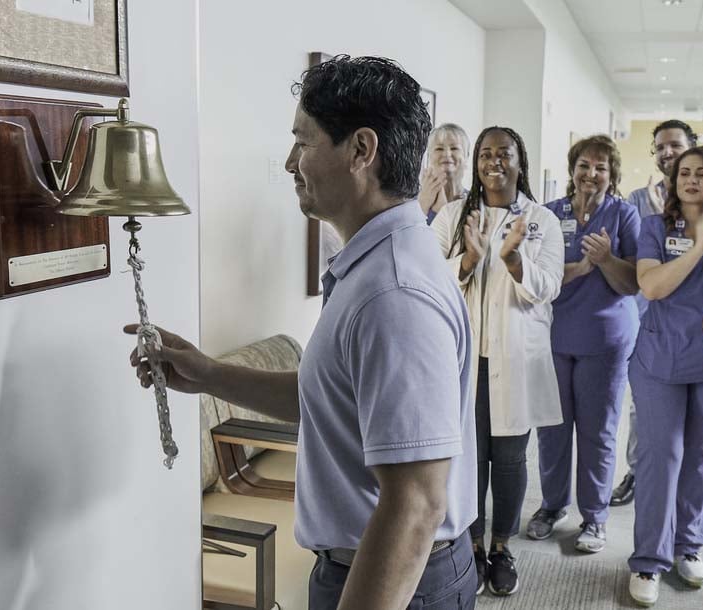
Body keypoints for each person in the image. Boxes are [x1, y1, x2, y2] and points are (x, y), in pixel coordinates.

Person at [127, 56, 478, 610]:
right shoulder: (371, 268)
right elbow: (333, 400)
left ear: (362, 150)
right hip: (369, 564)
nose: (290, 161)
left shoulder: (394, 293)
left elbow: (415, 504)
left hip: (394, 577)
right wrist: (210, 374)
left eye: (303, 141)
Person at [431, 126, 564, 597]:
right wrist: (467, 260)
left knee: (509, 461)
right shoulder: (451, 216)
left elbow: (549, 286)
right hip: (464, 361)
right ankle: (471, 543)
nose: (494, 162)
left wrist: (512, 260)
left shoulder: (542, 221)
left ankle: (503, 547)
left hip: (515, 358)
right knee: (468, 458)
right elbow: (428, 282)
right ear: (476, 163)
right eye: (486, 154)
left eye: (504, 153)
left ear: (519, 162)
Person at [626, 146, 703, 607]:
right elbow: (652, 285)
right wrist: (697, 243)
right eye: (684, 173)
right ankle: (648, 560)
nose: (692, 180)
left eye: (701, 173)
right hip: (660, 358)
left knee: (699, 457)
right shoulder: (655, 227)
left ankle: (688, 547)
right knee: (661, 456)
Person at [527, 135, 639, 553]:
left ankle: (595, 518)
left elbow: (633, 285)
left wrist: (608, 259)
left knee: (597, 432)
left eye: (601, 168)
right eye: (584, 165)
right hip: (554, 338)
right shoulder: (550, 215)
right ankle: (552, 506)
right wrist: (582, 266)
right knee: (552, 430)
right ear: (571, 170)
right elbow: (536, 282)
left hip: (604, 340)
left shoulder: (624, 217)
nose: (591, 174)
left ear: (612, 176)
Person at [612, 119, 699, 507]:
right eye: (660, 146)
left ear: (692, 146)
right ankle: (637, 469)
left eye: (675, 144)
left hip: (696, 325)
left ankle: (680, 483)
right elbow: (633, 264)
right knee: (641, 405)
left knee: (691, 413)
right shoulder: (637, 199)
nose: (667, 152)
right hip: (647, 319)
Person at [419, 123, 471, 224]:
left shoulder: (475, 201)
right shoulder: (413, 202)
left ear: (466, 156)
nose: (447, 154)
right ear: (429, 157)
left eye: (454, 148)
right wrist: (422, 204)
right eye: (439, 149)